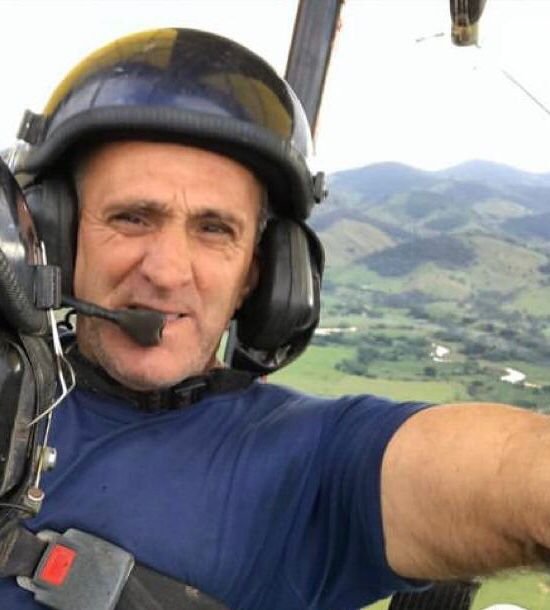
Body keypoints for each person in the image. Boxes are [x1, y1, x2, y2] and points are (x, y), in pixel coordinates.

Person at [1, 27, 549, 610]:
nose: (166, 271)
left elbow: (513, 476)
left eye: (214, 229)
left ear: (260, 276)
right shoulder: (14, 383)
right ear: (56, 238)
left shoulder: (311, 463)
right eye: (133, 218)